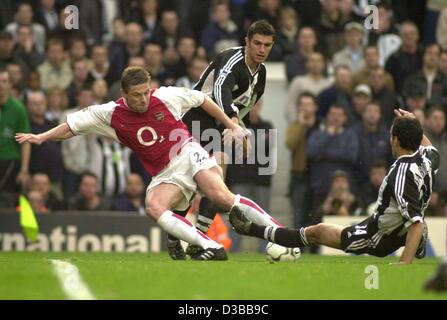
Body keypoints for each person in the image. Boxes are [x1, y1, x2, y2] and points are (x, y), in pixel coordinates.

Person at [16, 66, 282, 261]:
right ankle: (209, 246)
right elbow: (71, 126)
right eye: (136, 95)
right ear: (123, 93)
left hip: (189, 154)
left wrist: (231, 124)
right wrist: (41, 137)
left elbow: (203, 99)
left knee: (221, 197)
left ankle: (278, 233)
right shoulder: (109, 114)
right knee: (153, 207)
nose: (143, 99)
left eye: (146, 92)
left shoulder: (166, 96)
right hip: (166, 173)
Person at [230, 109, 438, 264]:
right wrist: (413, 124)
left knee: (317, 233)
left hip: (379, 235)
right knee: (320, 231)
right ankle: (414, 241)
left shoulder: (401, 173)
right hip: (389, 224)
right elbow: (430, 147)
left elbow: (416, 223)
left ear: (395, 140)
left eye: (391, 135)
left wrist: (403, 263)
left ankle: (252, 229)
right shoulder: (426, 159)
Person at [178, 20, 276, 258]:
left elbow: (243, 108)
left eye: (267, 45)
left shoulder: (260, 75)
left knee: (217, 181)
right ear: (247, 42)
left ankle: (197, 239)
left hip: (220, 123)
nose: (262, 49)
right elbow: (221, 91)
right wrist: (233, 123)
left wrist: (240, 130)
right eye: (257, 44)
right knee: (190, 182)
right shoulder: (231, 58)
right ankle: (178, 237)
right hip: (197, 115)